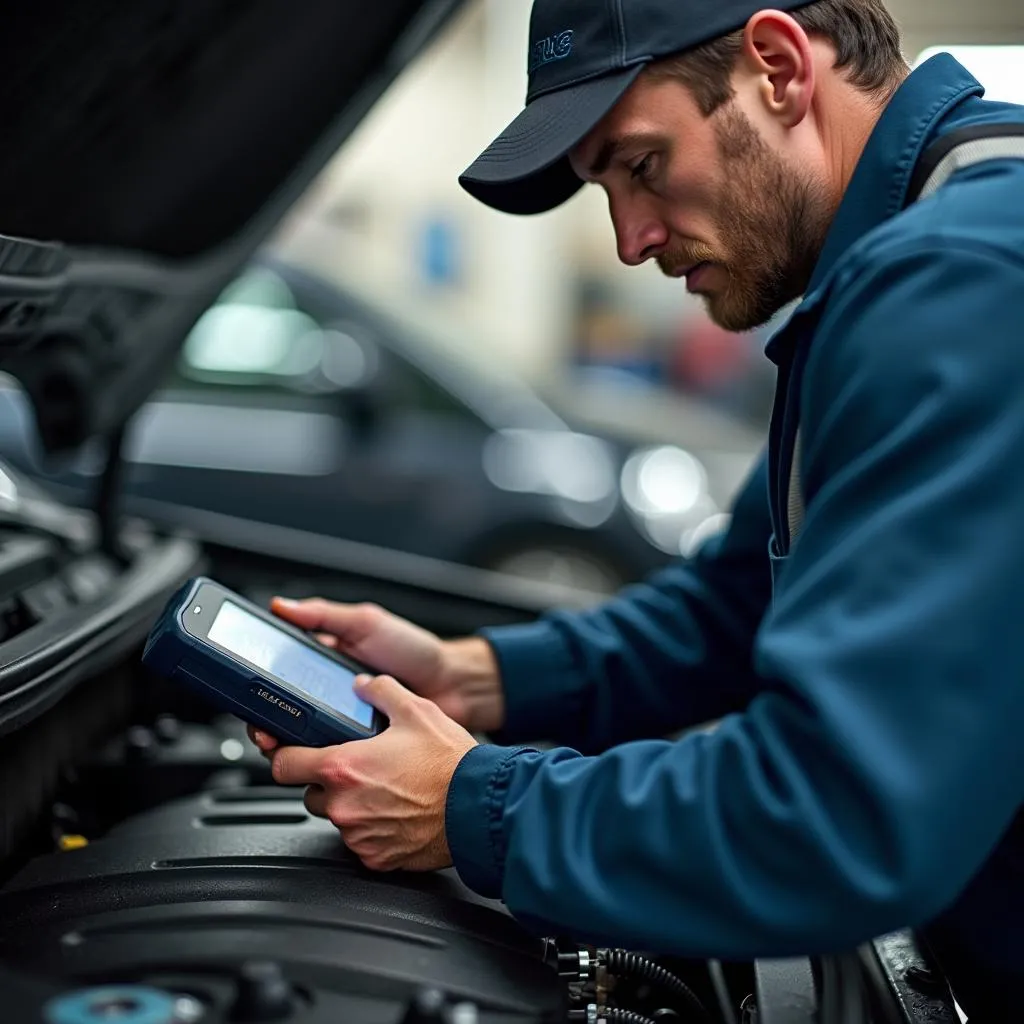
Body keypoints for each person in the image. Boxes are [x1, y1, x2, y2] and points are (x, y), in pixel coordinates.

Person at [250, 0, 1024, 1017]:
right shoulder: (907, 256)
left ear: (779, 67)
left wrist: (472, 806)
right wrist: (472, 678)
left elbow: (834, 816)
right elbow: (730, 608)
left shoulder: (956, 281)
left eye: (641, 165)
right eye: (602, 188)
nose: (628, 240)